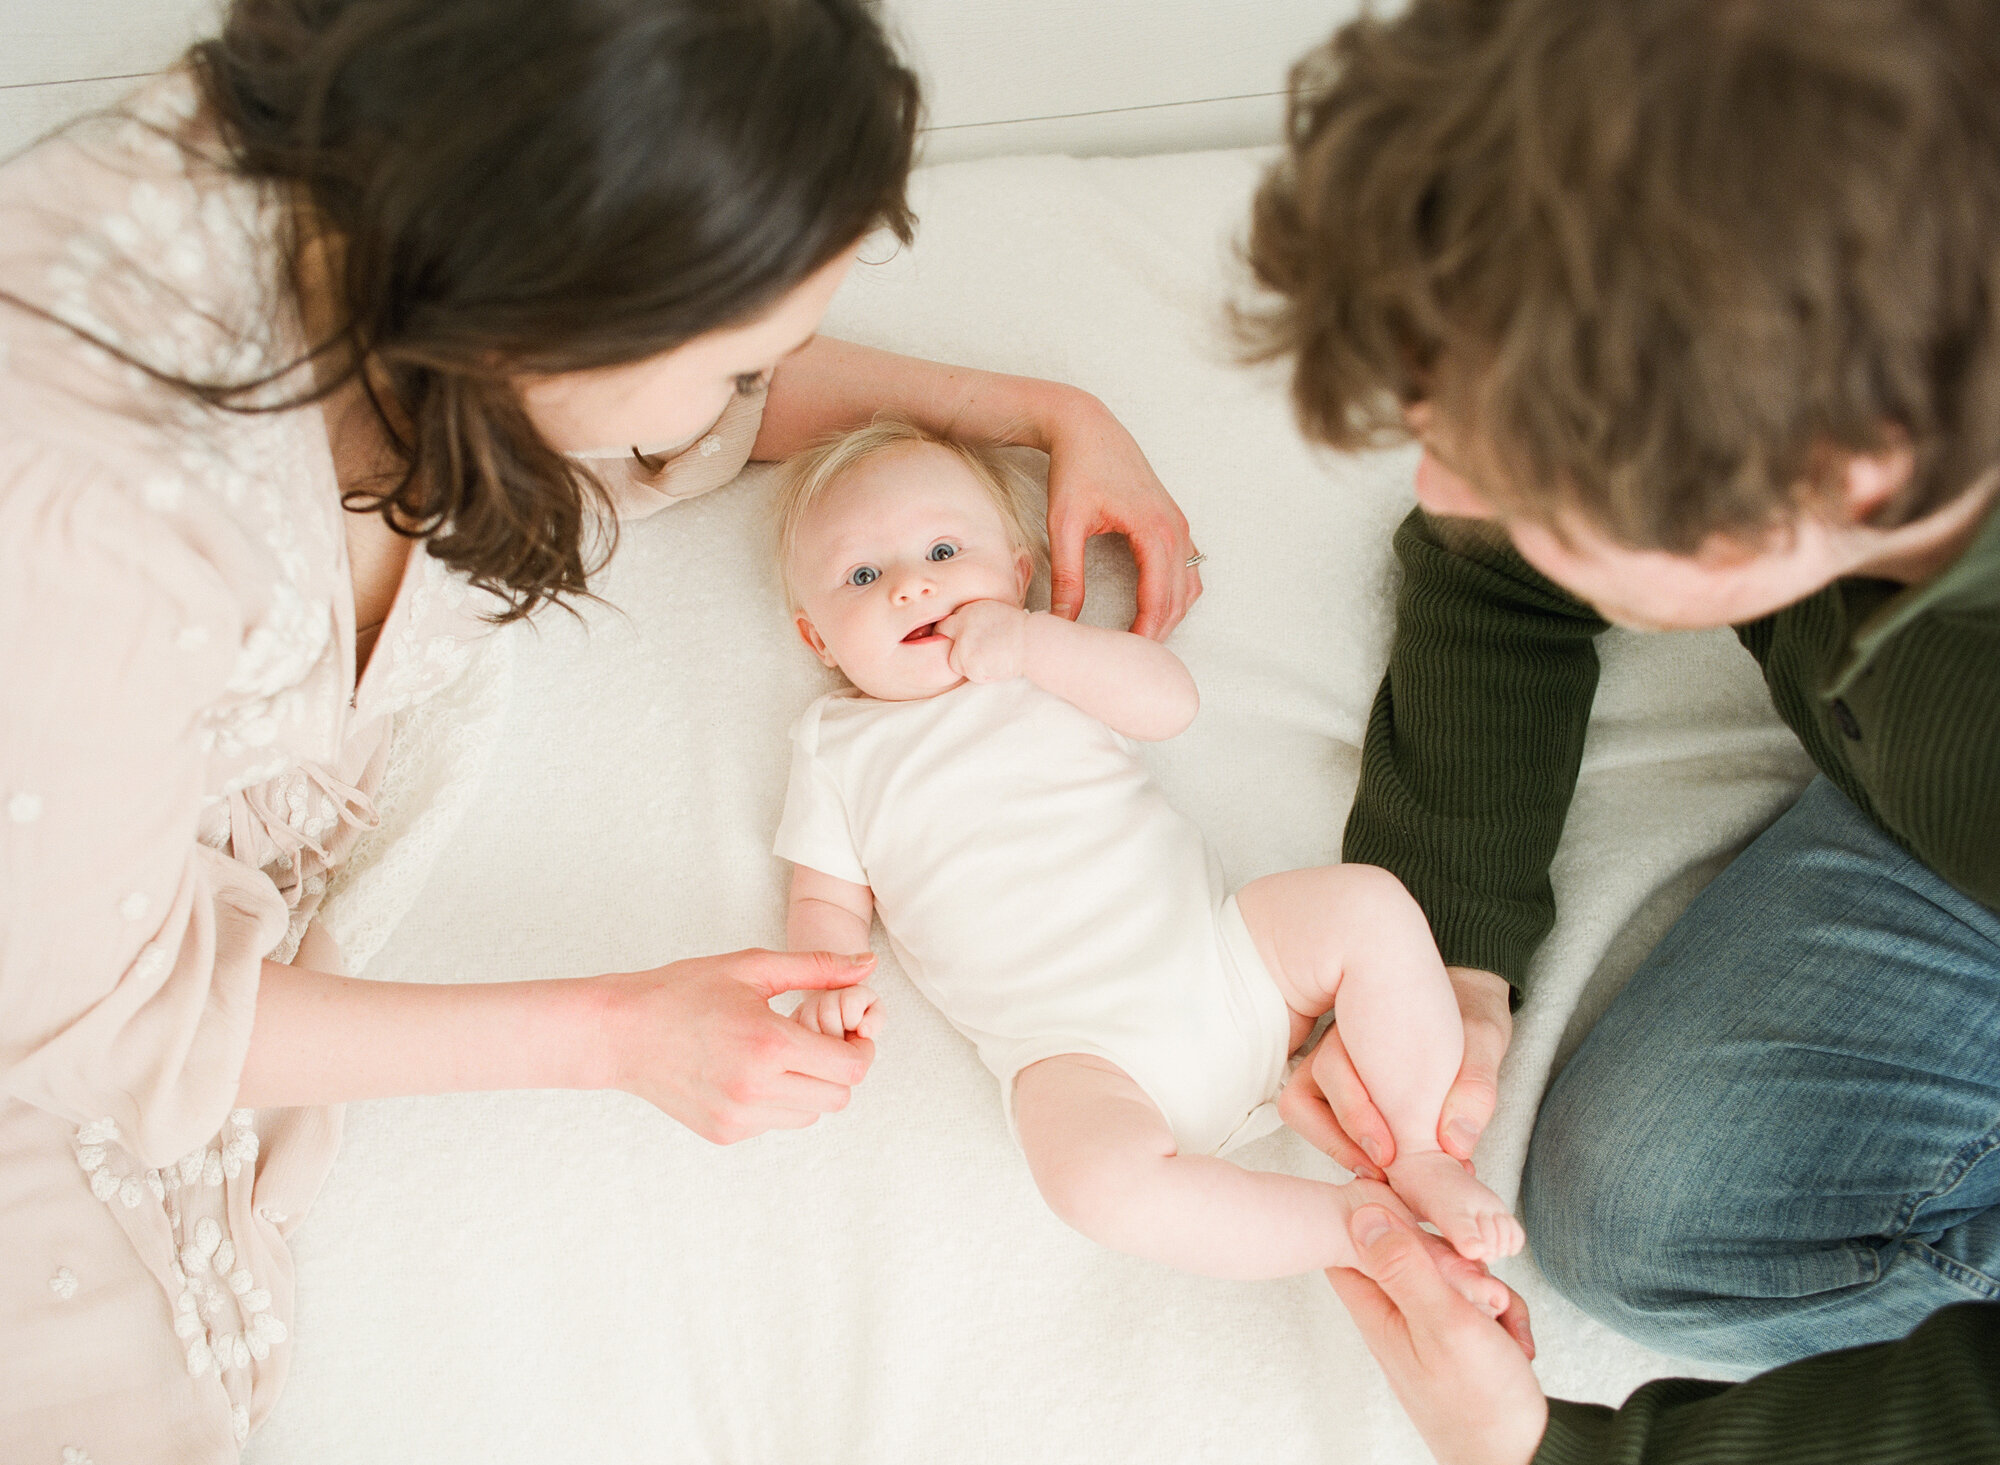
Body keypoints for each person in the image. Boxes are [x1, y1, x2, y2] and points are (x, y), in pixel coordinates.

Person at [0, 1, 1203, 1456]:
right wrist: (620, 1032)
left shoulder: (425, 222)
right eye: (739, 354)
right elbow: (101, 1022)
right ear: (545, 313)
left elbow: (683, 414)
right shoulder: (88, 521)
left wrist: (1038, 415)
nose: (753, 398)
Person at [1238, 0, 2000, 1458]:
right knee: (1644, 1208)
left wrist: (1560, 1454)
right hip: (1936, 813)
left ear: (1848, 479)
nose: (1448, 495)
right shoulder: (1803, 176)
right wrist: (1449, 936)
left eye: (1529, 489)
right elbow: (1487, 560)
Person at [768, 418, 1525, 1290]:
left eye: (944, 548)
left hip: (1230, 964)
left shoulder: (1045, 662)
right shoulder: (835, 744)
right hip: (1081, 1056)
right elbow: (825, 898)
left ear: (1020, 576)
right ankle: (1353, 1225)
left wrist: (1035, 644)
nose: (912, 586)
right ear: (817, 638)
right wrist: (825, 990)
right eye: (863, 575)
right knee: (1089, 1184)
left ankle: (1425, 1149)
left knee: (1370, 903)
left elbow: (1170, 703)